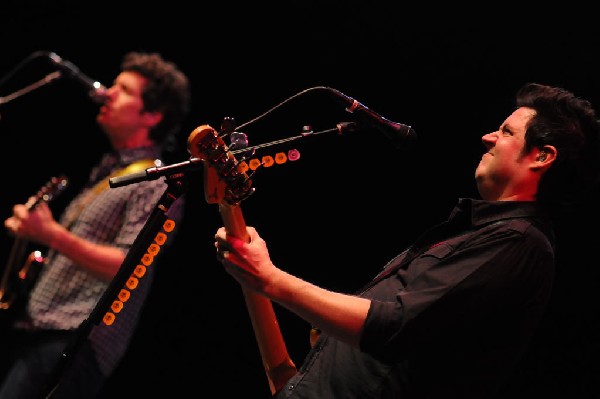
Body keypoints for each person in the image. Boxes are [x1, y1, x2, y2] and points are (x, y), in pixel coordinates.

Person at [213, 83, 600, 398]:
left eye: (506, 132)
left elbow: (392, 327)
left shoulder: (519, 243)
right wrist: (256, 276)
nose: (487, 137)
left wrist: (269, 278)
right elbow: (290, 374)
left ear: (542, 156)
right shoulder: (480, 234)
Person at [0, 51, 191, 399]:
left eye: (123, 90)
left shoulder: (155, 183)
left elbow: (128, 266)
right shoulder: (110, 172)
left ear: (151, 115)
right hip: (44, 331)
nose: (107, 93)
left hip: (77, 341)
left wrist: (49, 233)